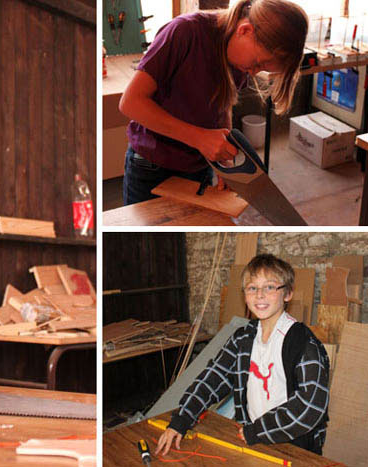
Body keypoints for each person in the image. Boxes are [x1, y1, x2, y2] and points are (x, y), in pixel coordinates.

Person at [119, 0, 308, 205]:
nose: (254, 72)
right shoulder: (184, 31)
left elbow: (224, 104)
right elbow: (130, 103)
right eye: (257, 63)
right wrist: (199, 138)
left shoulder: (238, 54)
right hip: (152, 166)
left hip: (199, 165)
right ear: (245, 30)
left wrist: (224, 161)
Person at [156, 254, 329, 456]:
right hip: (254, 441)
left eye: (270, 287)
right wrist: (181, 420)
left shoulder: (302, 342)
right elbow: (213, 378)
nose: (259, 295)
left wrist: (257, 430)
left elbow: (311, 405)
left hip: (294, 446)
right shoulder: (243, 338)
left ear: (288, 293)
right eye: (252, 288)